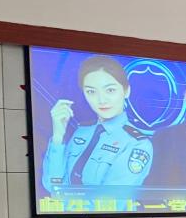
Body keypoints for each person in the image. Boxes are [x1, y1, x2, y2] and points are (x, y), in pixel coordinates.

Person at [41, 55, 153, 190]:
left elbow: (113, 199)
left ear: (126, 91)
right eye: (91, 91)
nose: (101, 100)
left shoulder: (137, 144)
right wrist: (58, 136)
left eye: (110, 90)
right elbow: (53, 186)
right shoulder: (82, 132)